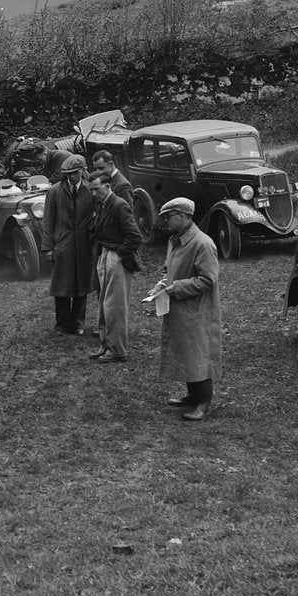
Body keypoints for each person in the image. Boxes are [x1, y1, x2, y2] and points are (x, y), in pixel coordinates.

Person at [151, 197, 221, 421]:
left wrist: (178, 287)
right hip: (180, 308)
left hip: (197, 310)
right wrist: (163, 283)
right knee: (185, 352)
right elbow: (168, 268)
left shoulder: (203, 243)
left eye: (168, 217)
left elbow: (208, 280)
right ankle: (192, 396)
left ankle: (203, 402)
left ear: (183, 217)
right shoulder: (175, 240)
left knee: (199, 353)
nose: (165, 222)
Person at [87, 171, 143, 363]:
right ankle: (106, 345)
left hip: (116, 258)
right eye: (91, 190)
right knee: (104, 304)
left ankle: (118, 350)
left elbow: (135, 237)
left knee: (115, 307)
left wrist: (119, 255)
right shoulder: (103, 204)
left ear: (108, 187)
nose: (94, 193)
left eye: (97, 189)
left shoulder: (119, 205)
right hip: (105, 254)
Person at [40, 153, 95, 335]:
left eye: (75, 173)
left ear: (83, 171)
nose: (72, 177)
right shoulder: (55, 191)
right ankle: (62, 324)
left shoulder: (91, 190)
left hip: (83, 245)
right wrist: (47, 247)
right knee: (61, 285)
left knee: (82, 285)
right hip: (62, 244)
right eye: (68, 174)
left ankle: (78, 323)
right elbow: (48, 220)